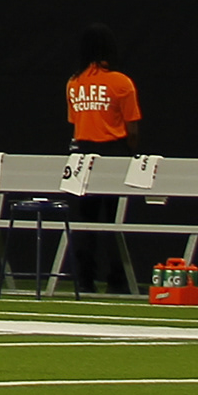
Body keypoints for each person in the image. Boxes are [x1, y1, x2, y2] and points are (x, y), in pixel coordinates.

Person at [64, 24, 142, 297]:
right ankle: (117, 280)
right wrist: (128, 152)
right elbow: (132, 129)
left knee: (84, 221)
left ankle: (84, 280)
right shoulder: (121, 82)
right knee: (114, 221)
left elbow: (75, 122)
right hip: (113, 152)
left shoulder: (73, 83)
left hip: (81, 154)